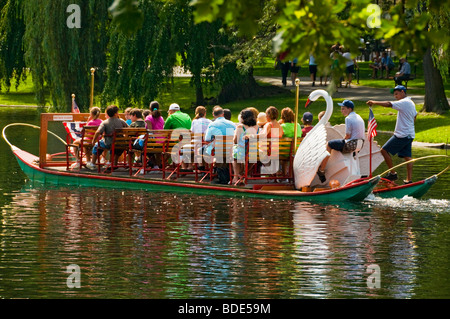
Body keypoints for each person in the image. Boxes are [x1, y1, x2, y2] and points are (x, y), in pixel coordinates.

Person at [366, 85, 417, 183]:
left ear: (403, 92)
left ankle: (392, 174)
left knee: (384, 150)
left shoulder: (404, 102)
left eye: (396, 94)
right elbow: (415, 116)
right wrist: (409, 125)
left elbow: (389, 104)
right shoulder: (411, 103)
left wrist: (374, 102)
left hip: (401, 135)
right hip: (409, 135)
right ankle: (409, 180)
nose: (395, 96)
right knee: (407, 157)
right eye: (394, 94)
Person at [317, 100, 365, 183]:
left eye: (343, 109)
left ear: (349, 109)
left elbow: (348, 136)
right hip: (360, 145)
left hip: (351, 144)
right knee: (338, 142)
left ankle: (321, 170)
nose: (342, 111)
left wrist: (342, 139)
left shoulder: (348, 118)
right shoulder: (358, 116)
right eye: (341, 109)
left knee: (329, 144)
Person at [87, 105, 129, 171]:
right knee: (117, 148)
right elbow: (128, 129)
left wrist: (93, 140)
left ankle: (92, 163)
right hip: (120, 143)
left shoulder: (105, 122)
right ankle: (113, 163)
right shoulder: (121, 121)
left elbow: (98, 132)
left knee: (96, 145)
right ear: (115, 113)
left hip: (109, 143)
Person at [204, 106, 237, 184]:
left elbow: (207, 139)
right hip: (230, 150)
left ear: (213, 114)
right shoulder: (232, 124)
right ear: (223, 114)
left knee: (204, 150)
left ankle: (210, 173)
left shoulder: (212, 124)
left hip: (217, 151)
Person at [231, 109, 259, 184]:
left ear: (242, 117)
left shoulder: (240, 127)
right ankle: (246, 173)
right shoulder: (257, 127)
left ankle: (236, 176)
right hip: (253, 152)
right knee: (250, 157)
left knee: (234, 156)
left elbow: (235, 141)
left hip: (242, 151)